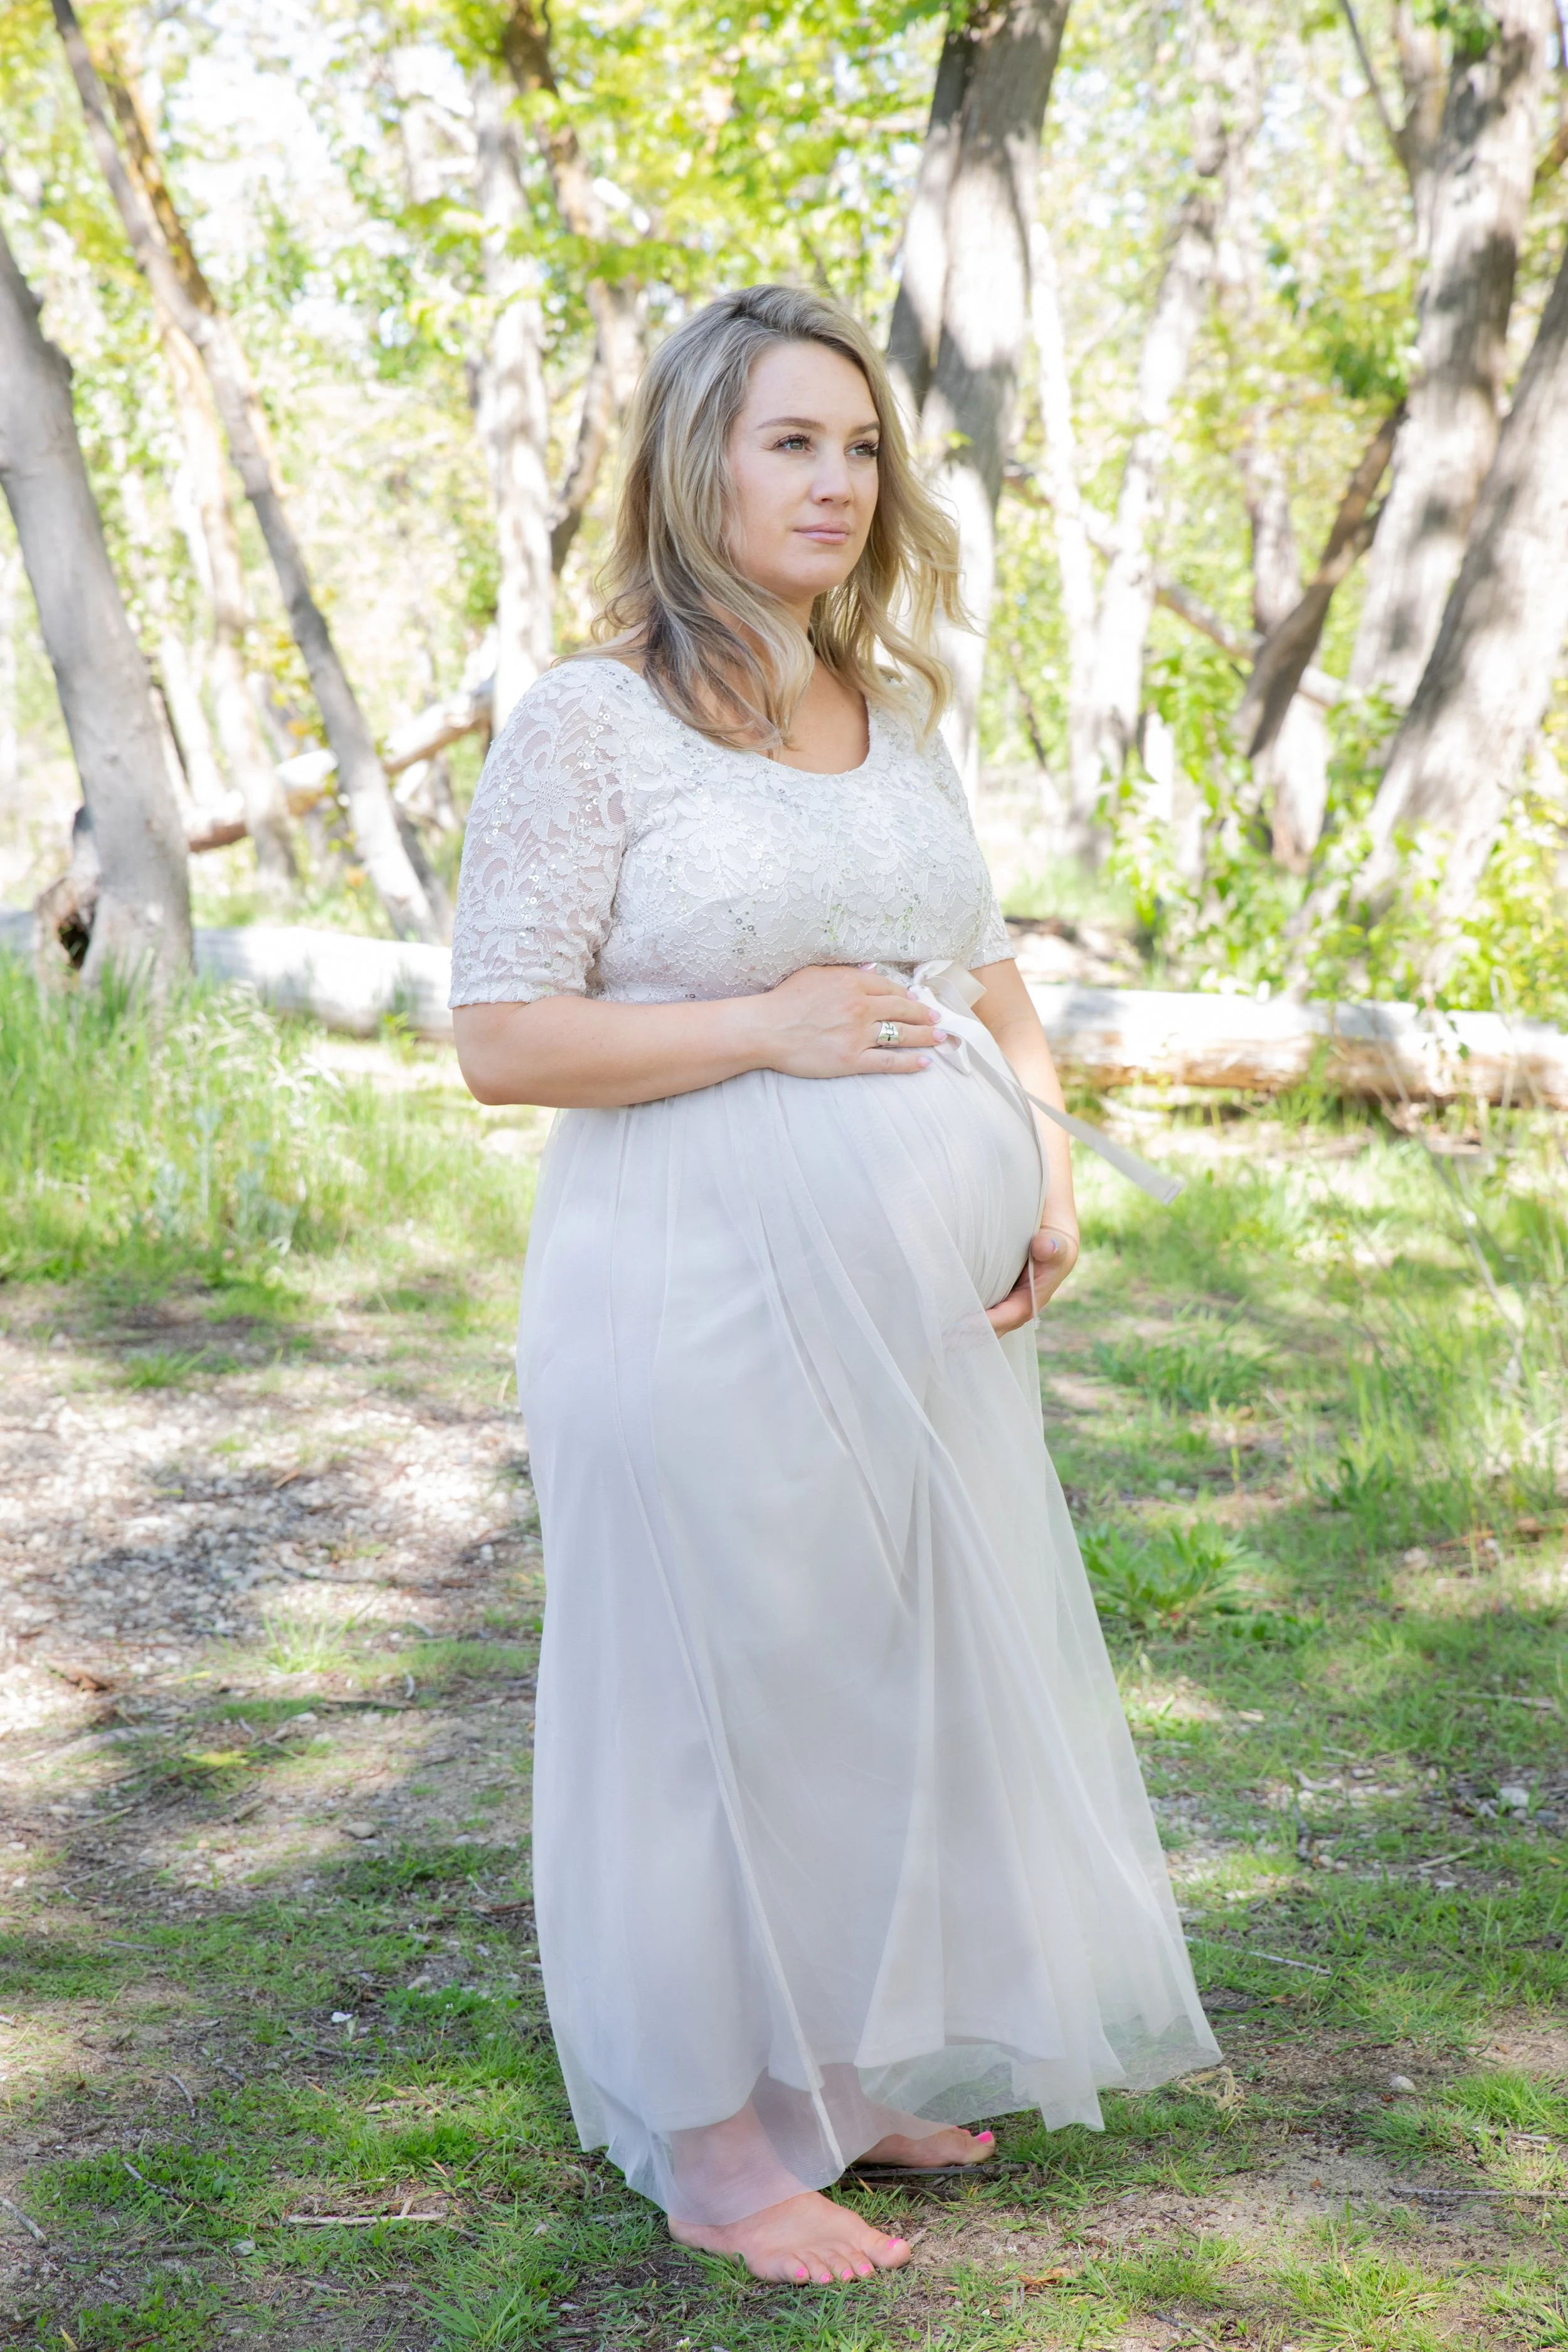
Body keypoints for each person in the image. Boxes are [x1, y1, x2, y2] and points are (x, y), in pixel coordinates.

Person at [448, 283, 1219, 2289]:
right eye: (787, 440)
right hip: (682, 1284)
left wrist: (1039, 1157)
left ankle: (843, 2058)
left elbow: (980, 972)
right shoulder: (588, 720)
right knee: (712, 1695)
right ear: (695, 463)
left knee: (873, 1674)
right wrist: (765, 1028)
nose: (832, 479)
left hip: (909, 1320)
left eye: (858, 445)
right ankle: (712, 2141)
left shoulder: (892, 716)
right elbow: (505, 1041)